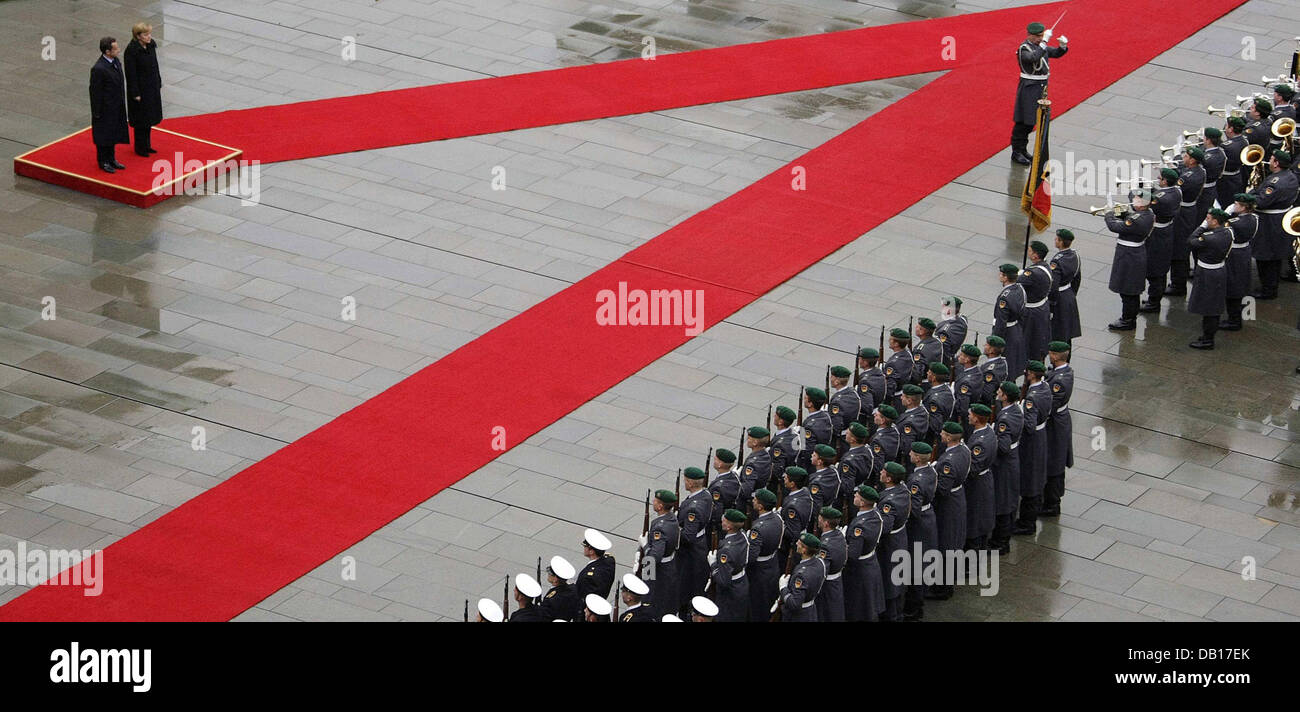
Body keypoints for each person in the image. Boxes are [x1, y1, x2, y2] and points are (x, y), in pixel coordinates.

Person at [1011, 21, 1068, 164]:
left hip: (1039, 87)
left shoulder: (1039, 47)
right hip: (1029, 88)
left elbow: (1054, 53)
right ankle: (1016, 151)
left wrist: (1063, 46)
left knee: (1031, 122)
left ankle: (1023, 150)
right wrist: (1044, 42)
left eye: (1041, 36)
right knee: (1023, 121)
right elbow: (1033, 58)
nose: (1040, 39)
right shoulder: (1024, 48)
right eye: (1038, 37)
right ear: (1029, 35)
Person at [1250, 150, 1300, 300]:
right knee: (1276, 256)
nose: (1269, 161)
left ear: (1277, 163)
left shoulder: (1275, 183)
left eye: (1271, 159)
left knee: (1265, 257)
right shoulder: (1291, 176)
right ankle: (1271, 285)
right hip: (1280, 219)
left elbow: (1260, 201)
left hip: (1269, 223)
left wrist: (1248, 197)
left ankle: (1268, 289)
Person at [930, 422, 970, 600]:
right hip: (958, 497)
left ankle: (943, 588)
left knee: (947, 543)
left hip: (948, 505)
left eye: (943, 433)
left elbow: (943, 489)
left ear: (948, 438)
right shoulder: (964, 450)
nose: (940, 435)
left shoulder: (948, 461)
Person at [1105, 191, 1155, 331]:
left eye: (1137, 199)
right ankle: (1129, 317)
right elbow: (1131, 218)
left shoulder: (1138, 220)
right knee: (1129, 290)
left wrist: (1110, 212)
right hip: (1132, 253)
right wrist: (1121, 212)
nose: (1134, 201)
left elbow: (1114, 226)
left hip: (1129, 256)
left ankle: (1128, 320)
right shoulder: (1147, 214)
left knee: (1128, 290)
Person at [1187, 209, 1234, 349]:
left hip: (1208, 273)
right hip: (1218, 270)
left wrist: (1202, 227)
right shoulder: (1228, 232)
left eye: (1208, 218)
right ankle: (1207, 336)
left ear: (1215, 221)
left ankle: (1208, 339)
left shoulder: (1209, 237)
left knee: (1210, 308)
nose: (1206, 220)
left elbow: (1191, 241)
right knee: (1212, 305)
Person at [1014, 361, 1051, 533]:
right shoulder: (1045, 387)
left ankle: (1027, 523)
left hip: (1032, 441)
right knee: (1036, 476)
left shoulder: (1032, 397)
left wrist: (1019, 412)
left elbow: (1029, 425)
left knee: (1030, 479)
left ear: (1031, 374)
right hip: (1041, 436)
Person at [1168, 148, 1207, 296]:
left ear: (1192, 161)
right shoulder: (1200, 171)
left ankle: (1178, 285)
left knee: (1179, 249)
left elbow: (1175, 188)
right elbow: (1183, 171)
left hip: (1183, 213)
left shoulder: (1189, 178)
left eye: (1187, 156)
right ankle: (1179, 282)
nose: (1184, 157)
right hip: (1190, 210)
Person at [1041, 342, 1073, 517]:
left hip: (1056, 424)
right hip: (1057, 421)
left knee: (1055, 461)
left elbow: (1051, 404)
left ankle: (1052, 503)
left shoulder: (1060, 380)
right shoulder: (1060, 372)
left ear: (1055, 355)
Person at [844, 485, 886, 622]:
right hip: (871, 563)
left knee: (859, 610)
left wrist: (843, 543)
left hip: (860, 571)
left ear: (862, 503)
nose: (854, 496)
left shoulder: (859, 526)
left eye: (857, 495)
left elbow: (852, 554)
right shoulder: (876, 515)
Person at [1143, 168, 1182, 311]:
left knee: (1155, 269)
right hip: (1166, 230)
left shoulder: (1162, 199)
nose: (1158, 180)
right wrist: (1151, 188)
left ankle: (1153, 303)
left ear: (1165, 181)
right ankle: (1154, 299)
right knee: (1159, 268)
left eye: (1160, 179)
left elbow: (1138, 200)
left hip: (1158, 234)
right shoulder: (1176, 191)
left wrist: (1138, 188)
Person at [89, 37, 128, 173]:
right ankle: (103, 161)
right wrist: (97, 112)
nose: (118, 50)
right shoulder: (98, 69)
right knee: (104, 136)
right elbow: (95, 92)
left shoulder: (116, 62)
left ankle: (111, 158)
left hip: (116, 106)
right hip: (105, 109)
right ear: (107, 51)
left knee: (113, 134)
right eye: (115, 48)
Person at [123, 22, 162, 157]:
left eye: (149, 34)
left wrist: (158, 81)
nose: (149, 37)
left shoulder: (150, 46)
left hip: (151, 88)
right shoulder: (132, 51)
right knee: (141, 120)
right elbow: (131, 73)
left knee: (149, 118)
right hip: (140, 90)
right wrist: (135, 93)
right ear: (138, 36)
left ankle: (147, 145)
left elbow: (155, 65)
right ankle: (140, 147)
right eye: (146, 34)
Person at [1221, 194, 1258, 331]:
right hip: (1244, 251)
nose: (1234, 205)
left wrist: (1226, 213)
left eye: (1237, 204)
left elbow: (1219, 225)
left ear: (1243, 208)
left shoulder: (1236, 222)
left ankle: (1234, 321)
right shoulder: (1254, 218)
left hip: (1234, 254)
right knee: (1241, 282)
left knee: (1233, 286)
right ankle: (1236, 316)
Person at [746, 488, 783, 621]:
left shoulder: (758, 528)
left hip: (759, 571)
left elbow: (751, 557)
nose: (753, 501)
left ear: (761, 506)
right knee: (767, 600)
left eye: (755, 500)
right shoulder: (777, 518)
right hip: (772, 564)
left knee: (757, 604)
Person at [708, 509, 750, 621]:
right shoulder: (743, 535)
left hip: (730, 591)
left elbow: (723, 581)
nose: (722, 521)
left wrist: (713, 564)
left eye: (725, 521)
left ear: (729, 527)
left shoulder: (726, 550)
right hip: (741, 583)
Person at [1018, 242, 1054, 364]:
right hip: (1042, 309)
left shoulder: (1033, 273)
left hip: (1032, 313)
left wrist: (1020, 274)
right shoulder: (1045, 267)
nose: (1028, 252)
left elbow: (1017, 281)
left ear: (1035, 256)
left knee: (1029, 341)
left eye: (1030, 251)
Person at [778, 533, 826, 622]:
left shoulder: (801, 575)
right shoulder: (820, 563)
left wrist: (783, 588)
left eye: (799, 543)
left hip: (798, 616)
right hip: (810, 610)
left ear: (804, 550)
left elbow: (794, 604)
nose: (796, 543)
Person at [1048, 229, 1082, 345]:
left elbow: (1053, 286)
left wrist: (1051, 305)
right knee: (1066, 332)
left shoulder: (1056, 261)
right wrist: (1072, 294)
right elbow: (1077, 278)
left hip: (1059, 299)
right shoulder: (1075, 255)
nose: (1055, 240)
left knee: (1057, 332)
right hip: (1069, 295)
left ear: (1061, 242)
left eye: (1057, 239)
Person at [993, 264, 1027, 377]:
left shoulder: (1004, 297)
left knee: (1005, 363)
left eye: (1001, 274)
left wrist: (995, 342)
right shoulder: (1020, 289)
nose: (999, 276)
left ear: (1005, 277)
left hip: (1007, 333)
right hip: (1016, 329)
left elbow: (1001, 322)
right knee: (1012, 362)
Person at [575, 528, 615, 604]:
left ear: (592, 551)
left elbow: (584, 598)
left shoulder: (588, 576)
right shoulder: (610, 561)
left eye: (585, 546)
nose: (584, 548)